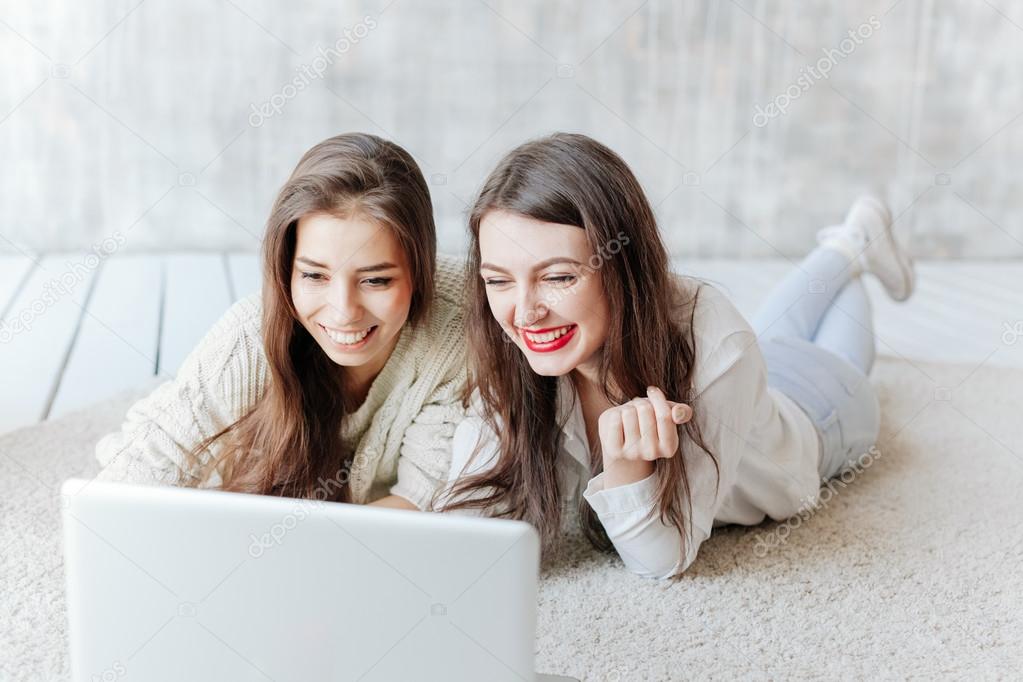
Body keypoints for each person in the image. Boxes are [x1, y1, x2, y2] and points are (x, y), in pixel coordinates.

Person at [439, 132, 914, 578]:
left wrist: (626, 469)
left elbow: (662, 559)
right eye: (498, 280)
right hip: (757, 371)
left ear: (622, 267)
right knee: (773, 333)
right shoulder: (508, 344)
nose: (525, 313)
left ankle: (854, 246)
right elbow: (464, 521)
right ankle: (851, 244)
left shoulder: (718, 345)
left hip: (823, 406)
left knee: (826, 352)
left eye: (559, 277)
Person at [95, 133, 466, 510]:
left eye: (375, 280)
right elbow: (138, 471)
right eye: (314, 276)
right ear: (286, 267)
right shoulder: (246, 340)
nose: (343, 311)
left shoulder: (455, 328)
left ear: (421, 272)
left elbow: (419, 497)